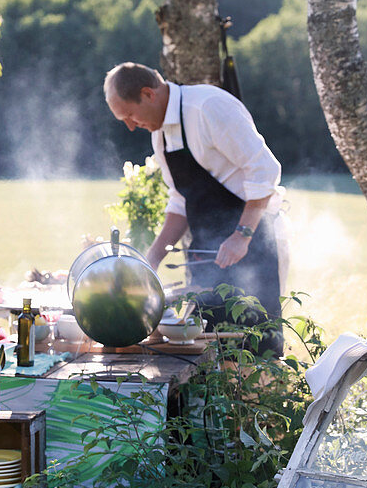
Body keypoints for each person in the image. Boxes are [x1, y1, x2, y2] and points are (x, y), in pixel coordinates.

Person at [104, 62, 286, 354]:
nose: (129, 125)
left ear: (148, 94)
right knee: (209, 350)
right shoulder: (160, 136)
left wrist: (241, 235)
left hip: (251, 242)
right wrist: (152, 257)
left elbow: (264, 169)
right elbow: (180, 200)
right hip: (205, 252)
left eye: (129, 115)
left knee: (254, 346)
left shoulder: (208, 107)